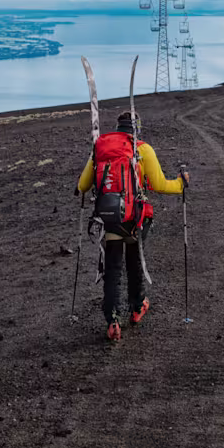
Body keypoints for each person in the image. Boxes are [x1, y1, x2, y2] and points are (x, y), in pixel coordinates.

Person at [76, 111, 187, 342]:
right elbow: (159, 184)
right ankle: (137, 308)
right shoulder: (142, 148)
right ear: (137, 128)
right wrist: (181, 184)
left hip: (109, 219)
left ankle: (112, 321)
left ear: (118, 127)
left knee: (112, 270)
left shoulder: (100, 148)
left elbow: (83, 185)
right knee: (134, 262)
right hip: (134, 218)